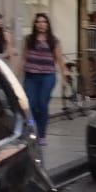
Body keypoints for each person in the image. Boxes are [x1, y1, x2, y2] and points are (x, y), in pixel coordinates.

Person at [21, 12, 66, 146]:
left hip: (47, 76)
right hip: (30, 75)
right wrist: (15, 76)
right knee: (32, 105)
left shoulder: (54, 41)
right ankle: (33, 130)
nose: (41, 24)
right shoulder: (29, 39)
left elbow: (59, 60)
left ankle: (42, 134)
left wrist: (64, 78)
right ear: (35, 24)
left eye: (44, 22)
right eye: (39, 22)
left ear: (48, 24)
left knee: (42, 103)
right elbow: (23, 58)